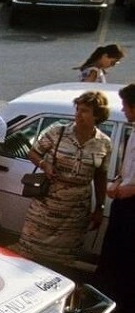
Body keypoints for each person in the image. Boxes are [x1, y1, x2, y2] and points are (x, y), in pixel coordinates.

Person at [15, 90, 112, 271]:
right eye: (77, 110)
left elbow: (101, 175)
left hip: (75, 209)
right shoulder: (58, 132)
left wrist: (100, 207)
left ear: (97, 115)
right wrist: (45, 165)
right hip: (47, 203)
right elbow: (33, 152)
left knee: (62, 261)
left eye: (84, 111)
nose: (78, 115)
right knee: (30, 253)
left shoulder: (104, 143)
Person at [96, 83, 135, 313]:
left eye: (126, 105)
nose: (123, 110)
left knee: (124, 274)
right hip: (124, 205)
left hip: (131, 208)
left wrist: (120, 190)